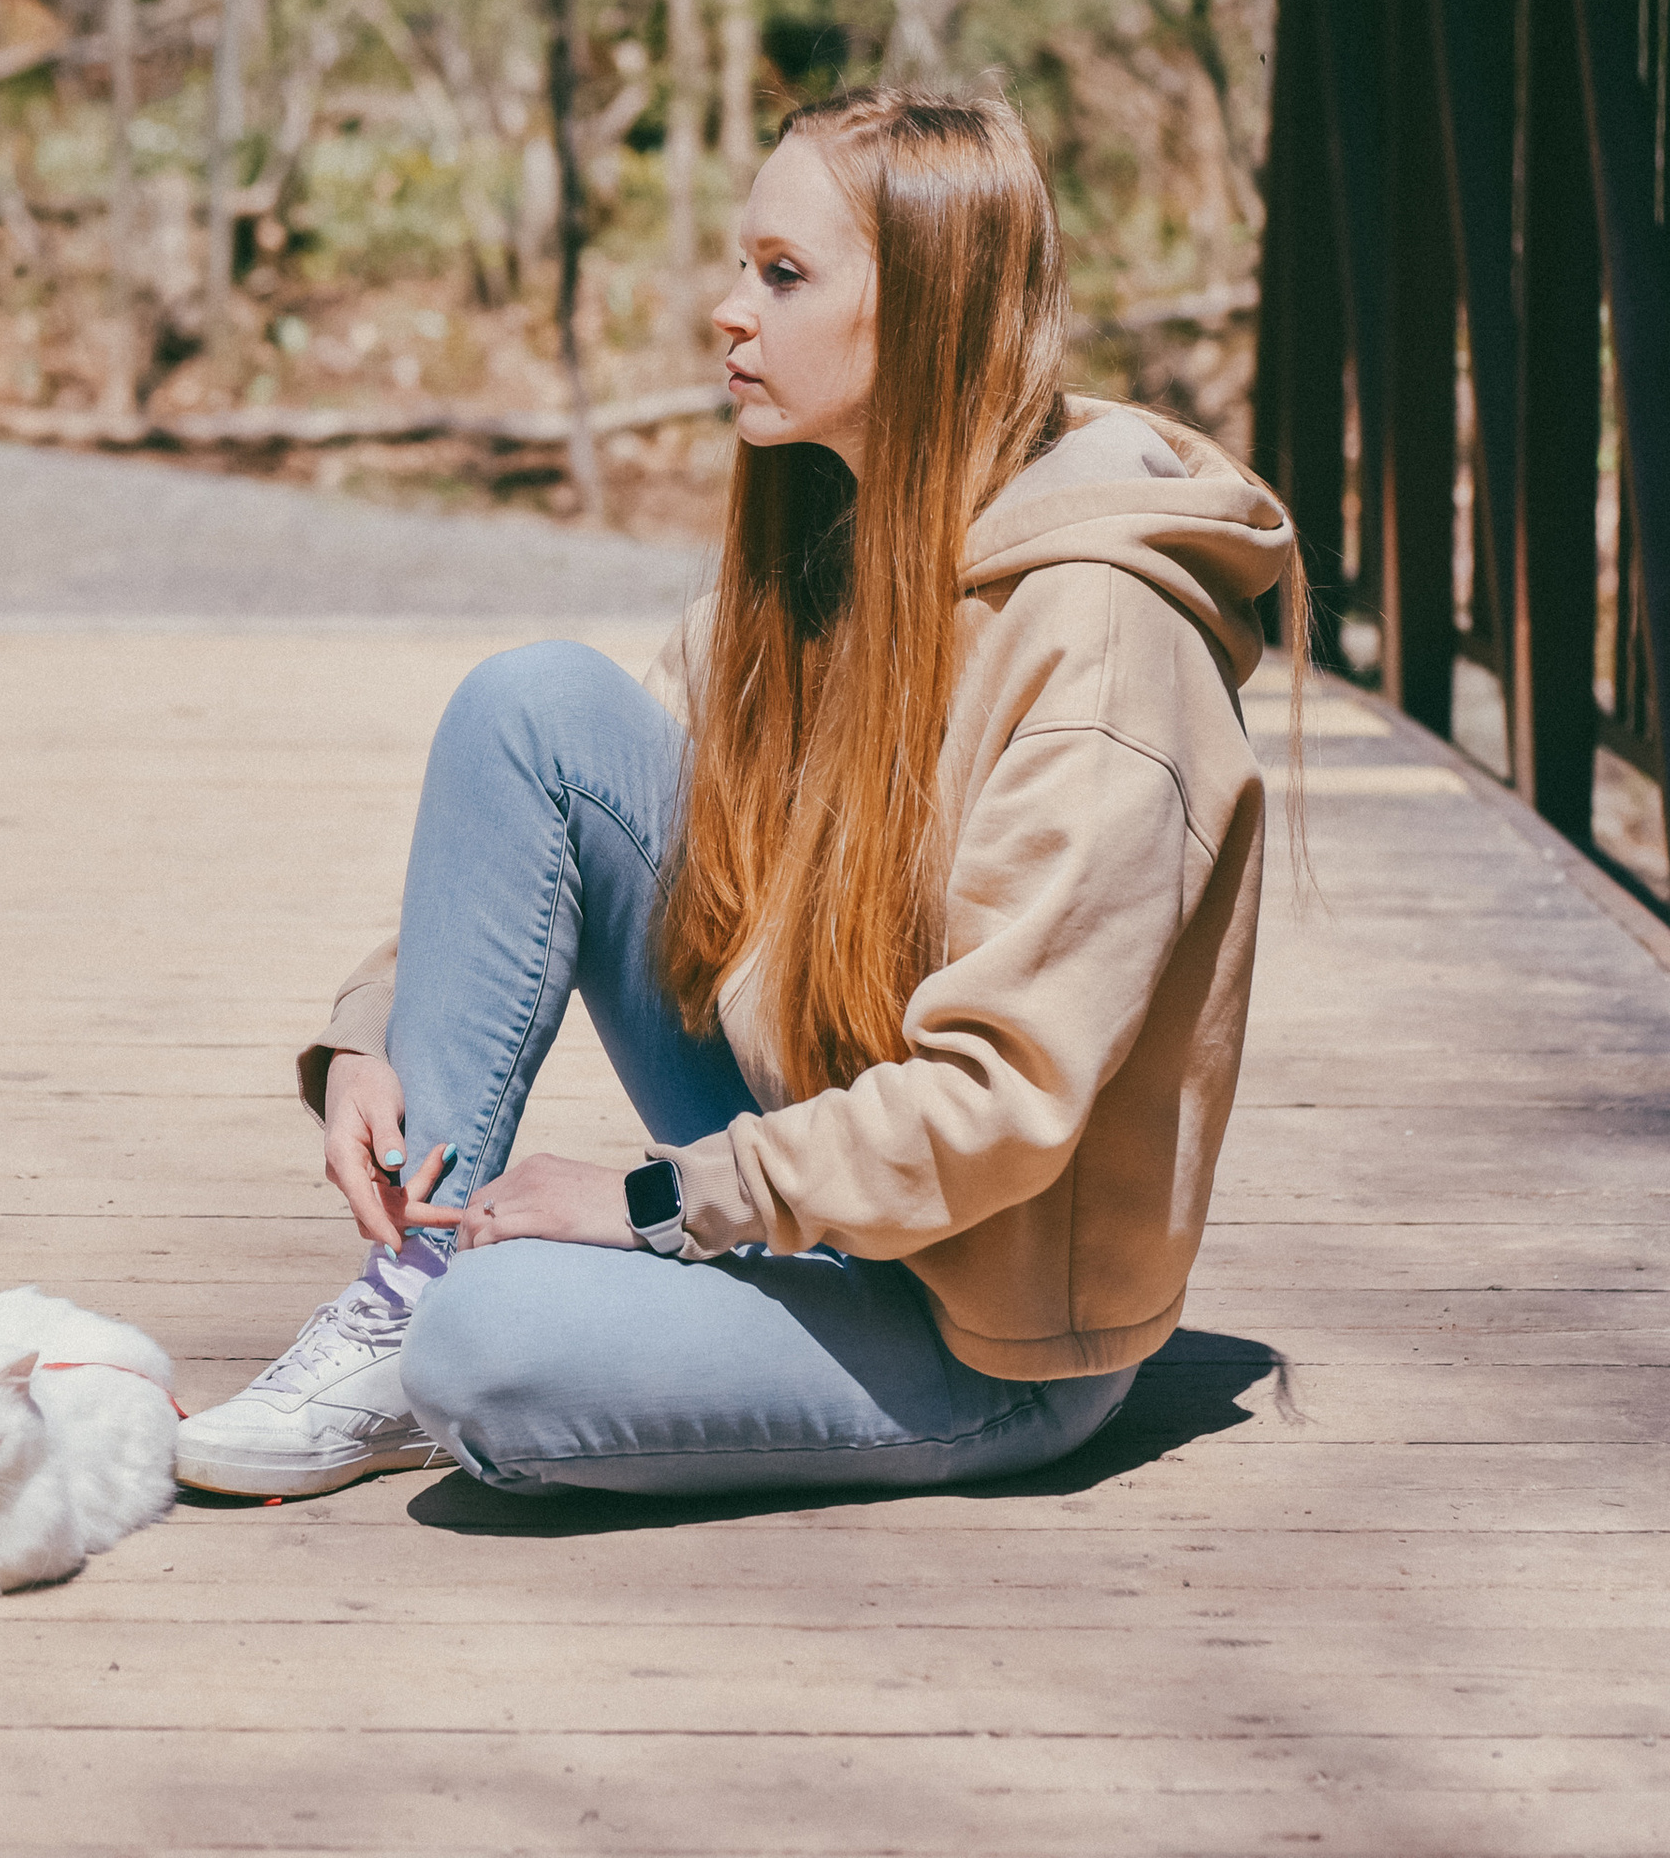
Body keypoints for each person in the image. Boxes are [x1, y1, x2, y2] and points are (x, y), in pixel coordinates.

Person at [176, 85, 1300, 1503]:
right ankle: (401, 1280)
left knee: (493, 1342)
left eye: (783, 276)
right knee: (535, 708)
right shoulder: (826, 530)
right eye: (739, 266)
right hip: (807, 1180)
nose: (727, 311)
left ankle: (438, 1327)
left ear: (930, 313)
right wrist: (365, 1037)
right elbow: (555, 835)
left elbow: (1003, 1101)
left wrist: (655, 1207)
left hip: (986, 1328)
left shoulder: (1104, 639)